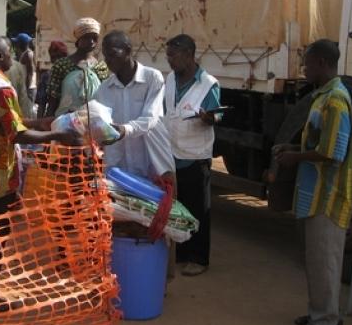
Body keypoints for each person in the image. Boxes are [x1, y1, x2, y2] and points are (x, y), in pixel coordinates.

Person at [0, 35, 80, 307]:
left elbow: (2, 120)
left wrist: (43, 123)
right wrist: (57, 135)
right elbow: (16, 134)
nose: (12, 55)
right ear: (0, 57)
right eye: (9, 51)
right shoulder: (1, 88)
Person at [274, 39, 352, 325]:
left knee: (324, 261)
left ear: (322, 63)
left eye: (307, 63)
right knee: (320, 260)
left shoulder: (335, 100)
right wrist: (293, 147)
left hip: (328, 196)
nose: (304, 69)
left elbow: (333, 152)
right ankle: (324, 313)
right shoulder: (323, 97)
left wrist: (296, 157)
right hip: (316, 194)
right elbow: (319, 144)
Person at [163, 34, 222, 277]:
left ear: (188, 54)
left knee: (199, 210)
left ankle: (199, 258)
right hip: (172, 153)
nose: (169, 61)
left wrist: (209, 117)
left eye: (173, 55)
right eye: (167, 56)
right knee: (179, 206)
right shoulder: (170, 79)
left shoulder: (208, 83)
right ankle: (183, 253)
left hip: (195, 156)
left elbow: (217, 114)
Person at [94, 30, 174, 181]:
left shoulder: (152, 78)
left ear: (128, 50)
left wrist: (125, 129)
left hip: (148, 166)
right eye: (105, 56)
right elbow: (99, 125)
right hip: (117, 169)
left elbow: (151, 119)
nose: (107, 61)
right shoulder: (104, 89)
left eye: (112, 54)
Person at [46, 17, 108, 116]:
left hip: (94, 121)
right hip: (66, 120)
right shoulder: (62, 65)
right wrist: (48, 121)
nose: (91, 41)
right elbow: (53, 99)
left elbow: (105, 98)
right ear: (78, 39)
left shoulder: (101, 67)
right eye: (87, 37)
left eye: (94, 38)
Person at [36, 41, 68, 118]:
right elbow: (42, 103)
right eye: (54, 57)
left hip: (53, 117)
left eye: (58, 57)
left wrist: (39, 124)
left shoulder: (46, 76)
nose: (57, 61)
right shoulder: (72, 74)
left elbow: (42, 104)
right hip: (68, 117)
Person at [12, 33, 37, 103]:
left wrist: (27, 89)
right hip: (27, 87)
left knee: (28, 110)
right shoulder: (25, 54)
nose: (15, 45)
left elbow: (30, 72)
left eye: (16, 43)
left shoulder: (28, 54)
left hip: (29, 88)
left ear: (19, 44)